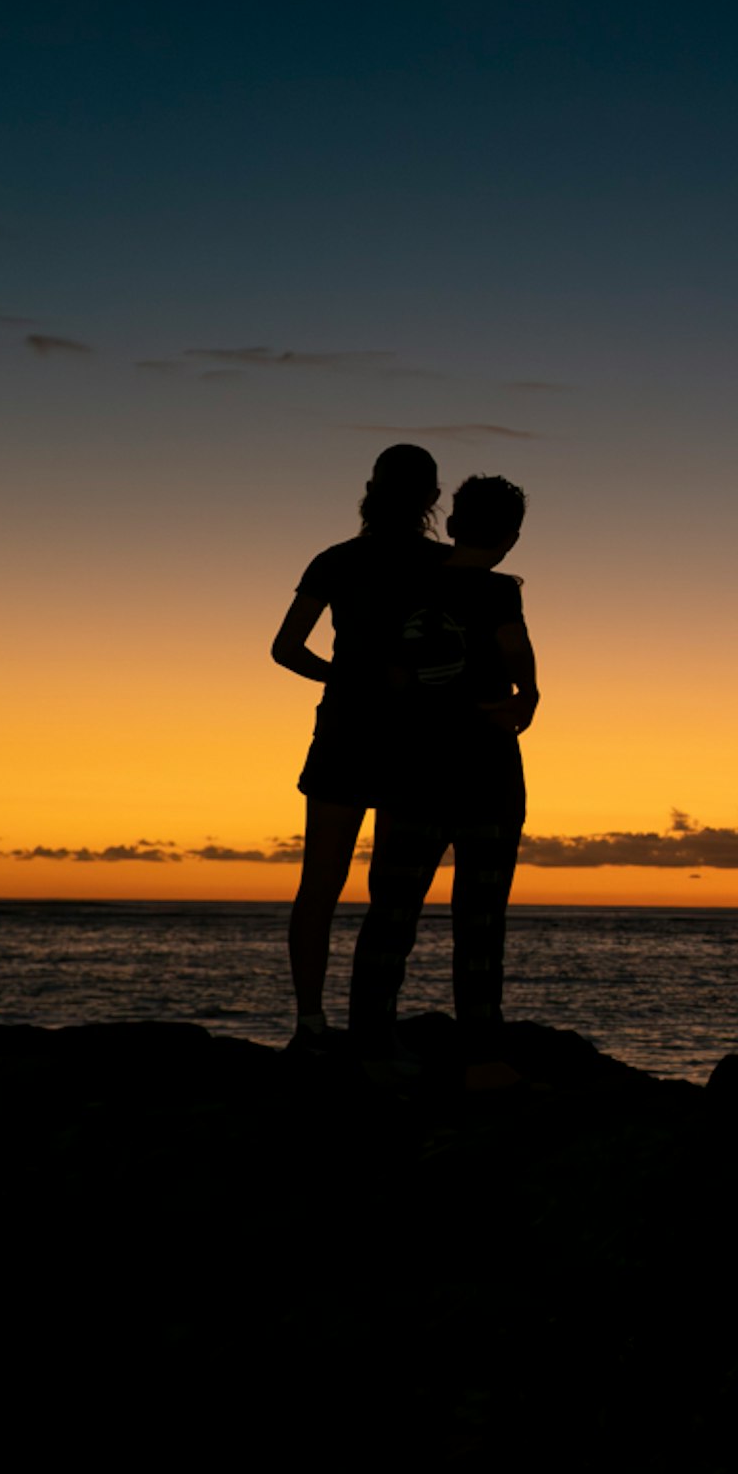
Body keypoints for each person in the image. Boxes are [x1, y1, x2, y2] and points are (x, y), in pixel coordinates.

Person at [354, 474, 538, 1087]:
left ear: (454, 525)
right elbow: (516, 653)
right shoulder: (498, 592)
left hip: (417, 773)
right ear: (511, 537)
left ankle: (374, 1048)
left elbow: (388, 671)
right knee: (480, 924)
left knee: (392, 917)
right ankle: (481, 1053)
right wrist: (529, 697)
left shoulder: (404, 586)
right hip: (483, 773)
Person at [269, 445, 448, 1048]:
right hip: (413, 737)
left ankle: (311, 1024)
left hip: (348, 729)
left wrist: (344, 678)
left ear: (371, 489)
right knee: (391, 894)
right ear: (431, 498)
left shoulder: (338, 560)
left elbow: (287, 649)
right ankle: (371, 1026)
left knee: (320, 883)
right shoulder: (446, 569)